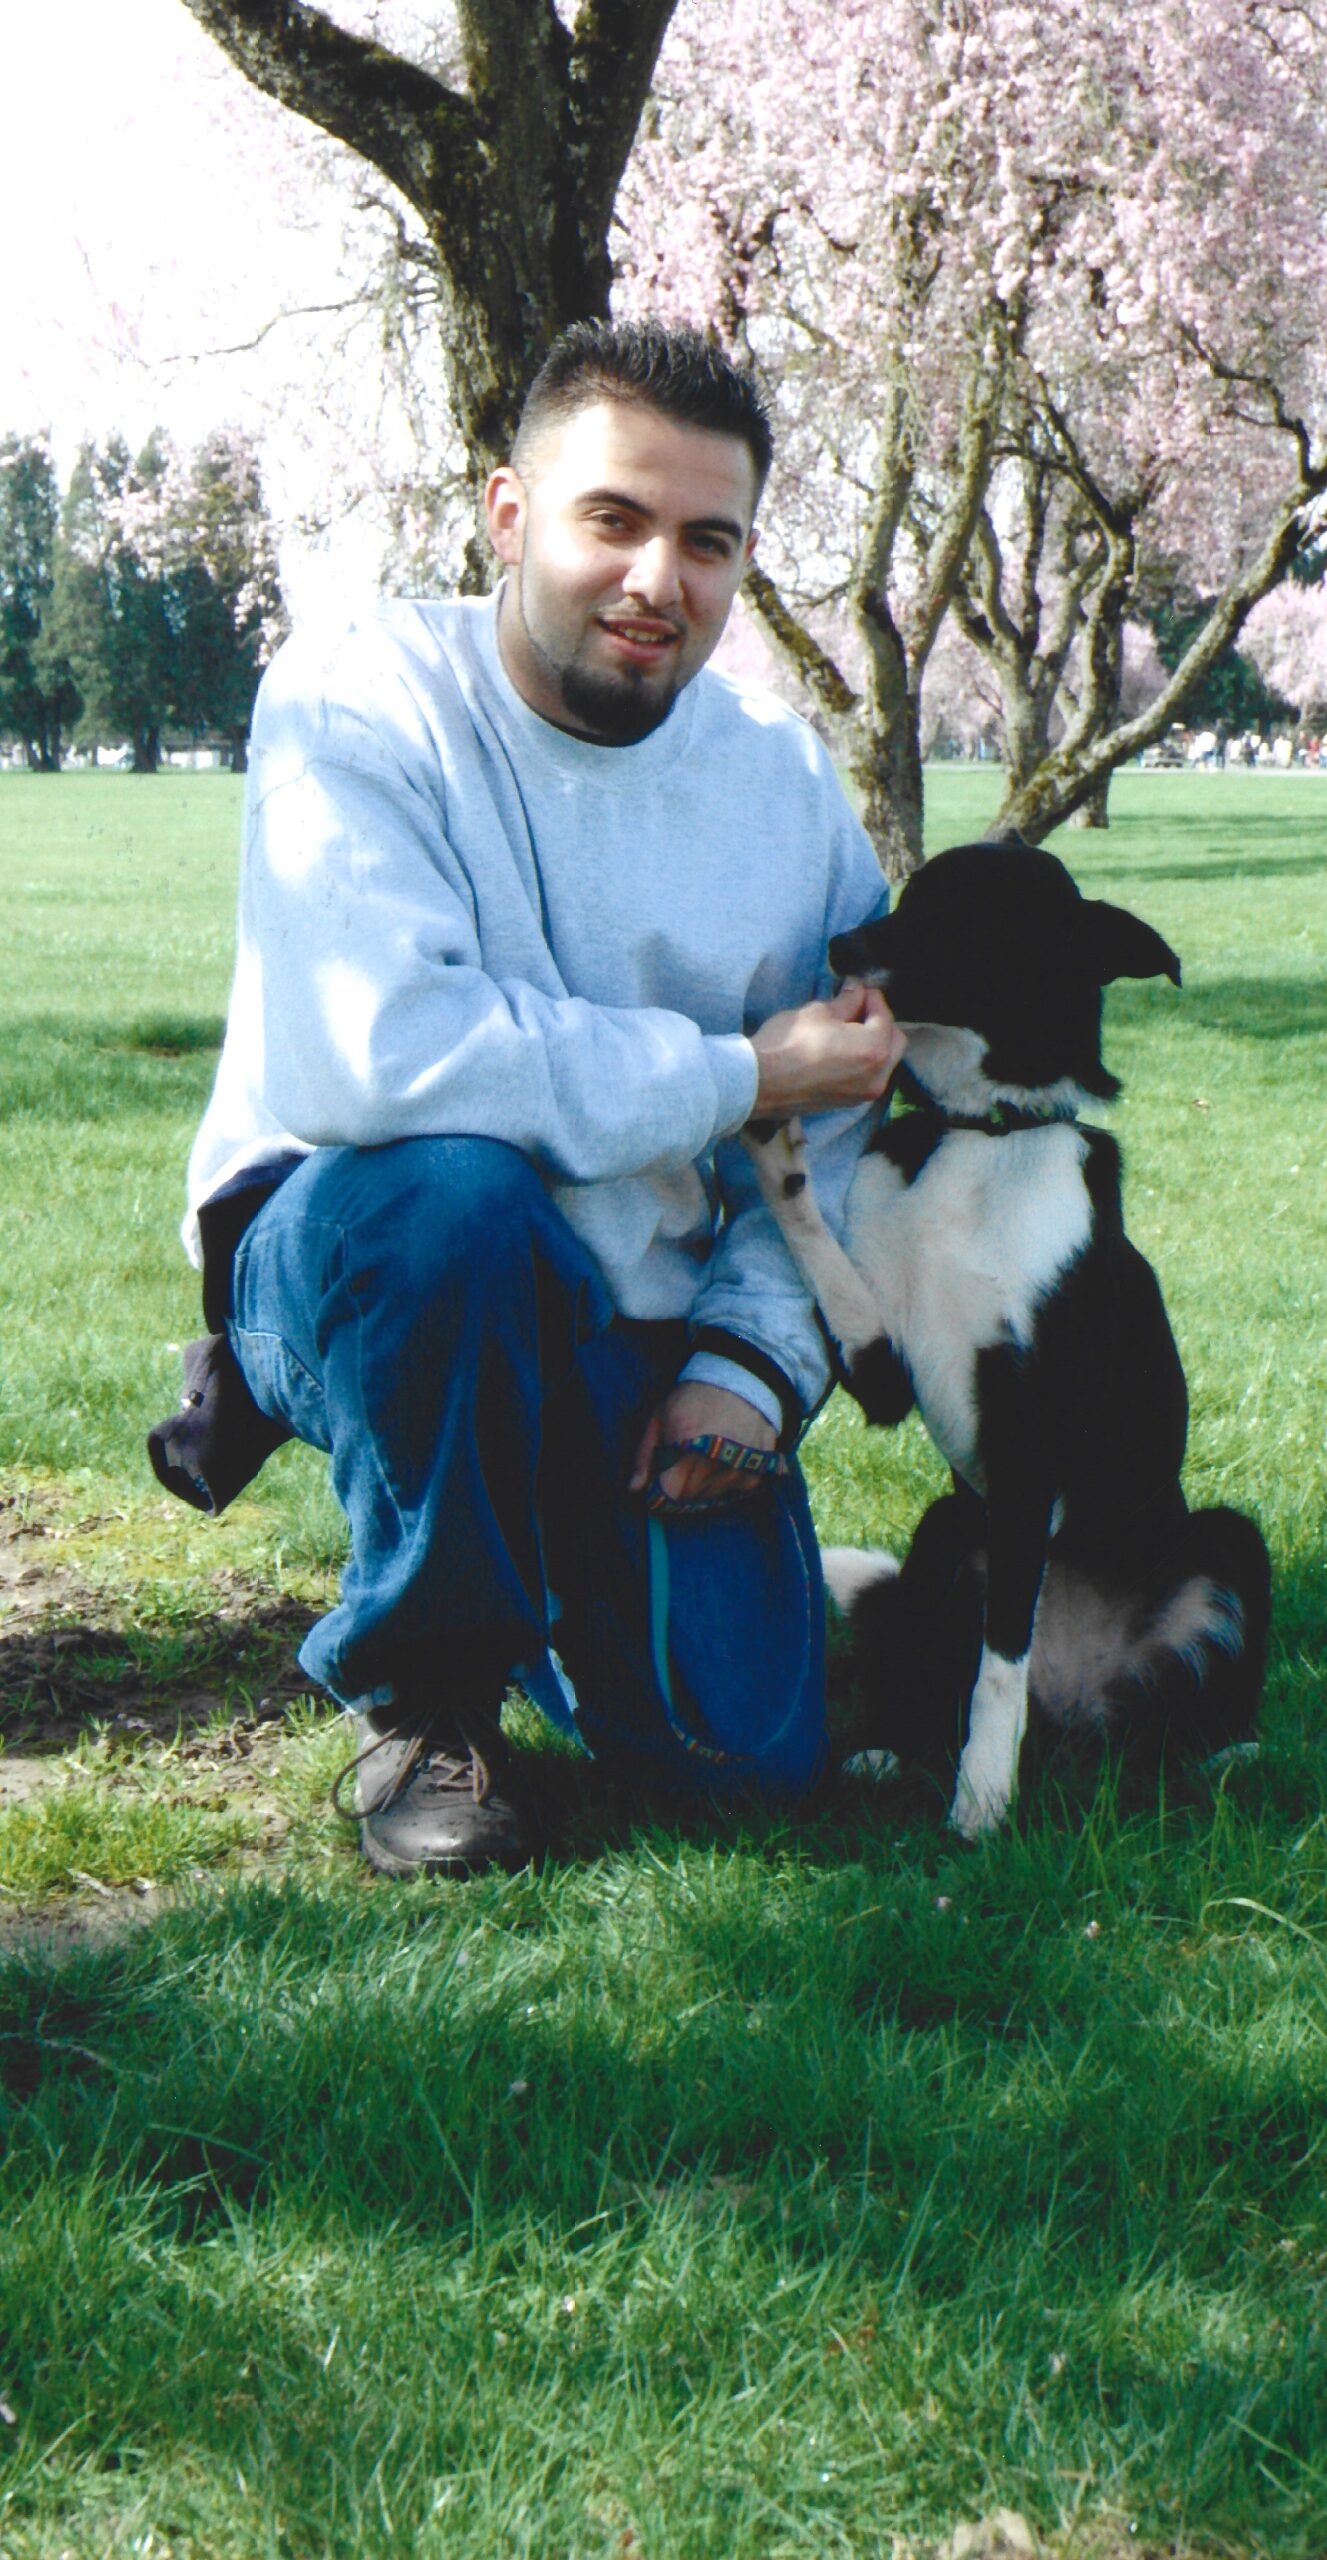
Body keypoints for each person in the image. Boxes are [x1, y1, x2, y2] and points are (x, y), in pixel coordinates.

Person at [168, 321, 901, 1879]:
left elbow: (841, 1116)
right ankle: (430, 1695)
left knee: (741, 1767)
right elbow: (383, 1054)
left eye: (709, 542)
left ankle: (583, 1561)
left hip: (643, 1322)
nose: (660, 582)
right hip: (372, 1257)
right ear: (510, 516)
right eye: (613, 522)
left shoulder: (781, 782)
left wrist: (751, 1368)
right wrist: (737, 1072)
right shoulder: (359, 700)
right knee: (454, 1193)